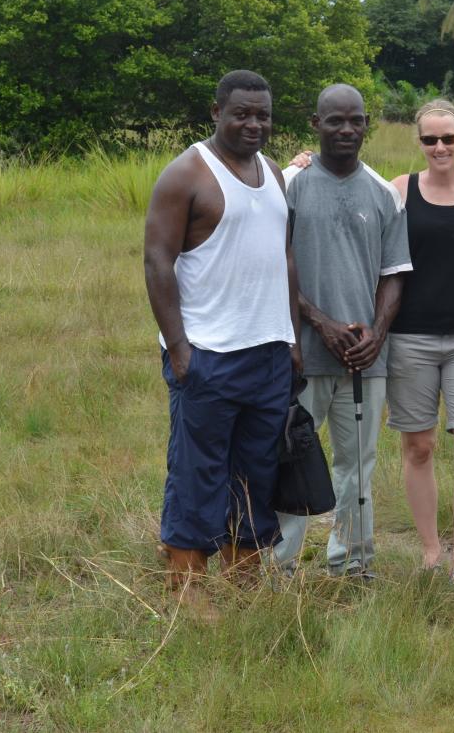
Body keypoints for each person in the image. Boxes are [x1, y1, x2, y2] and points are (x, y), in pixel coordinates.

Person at [143, 70, 300, 609]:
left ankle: (245, 578)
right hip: (209, 354)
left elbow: (284, 257)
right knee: (198, 469)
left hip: (269, 353)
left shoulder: (274, 173)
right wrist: (180, 350)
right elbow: (157, 261)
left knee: (258, 469)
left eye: (263, 115)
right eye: (242, 113)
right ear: (216, 113)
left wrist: (292, 338)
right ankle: (186, 586)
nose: (254, 123)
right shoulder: (187, 174)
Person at [273, 84, 411, 579]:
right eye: (335, 121)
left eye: (355, 120)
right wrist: (319, 321)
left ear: (367, 123)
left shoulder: (383, 193)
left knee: (358, 466)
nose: (346, 130)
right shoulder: (290, 183)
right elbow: (273, 266)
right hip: (298, 356)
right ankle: (279, 564)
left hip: (363, 362)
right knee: (289, 457)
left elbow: (395, 273)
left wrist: (375, 333)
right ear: (315, 124)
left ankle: (352, 561)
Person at [387, 100, 454, 582]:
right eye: (429, 139)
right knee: (420, 447)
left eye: (448, 138)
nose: (439, 147)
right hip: (409, 338)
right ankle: (432, 553)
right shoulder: (399, 190)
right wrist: (299, 165)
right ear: (419, 142)